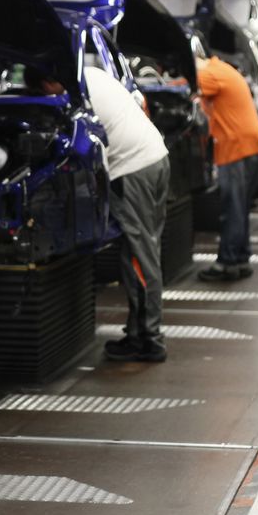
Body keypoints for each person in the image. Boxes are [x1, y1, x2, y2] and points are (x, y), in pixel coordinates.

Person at [26, 66, 171, 362]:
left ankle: (149, 339)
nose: (49, 97)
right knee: (146, 249)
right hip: (155, 157)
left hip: (133, 168)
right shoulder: (88, 72)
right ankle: (139, 330)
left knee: (139, 256)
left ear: (49, 81)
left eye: (45, 92)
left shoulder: (77, 94)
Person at [194, 53, 258, 282]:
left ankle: (226, 263)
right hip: (251, 145)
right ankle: (241, 259)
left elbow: (188, 87)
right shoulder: (223, 69)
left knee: (232, 208)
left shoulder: (209, 73)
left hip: (237, 148)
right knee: (240, 207)